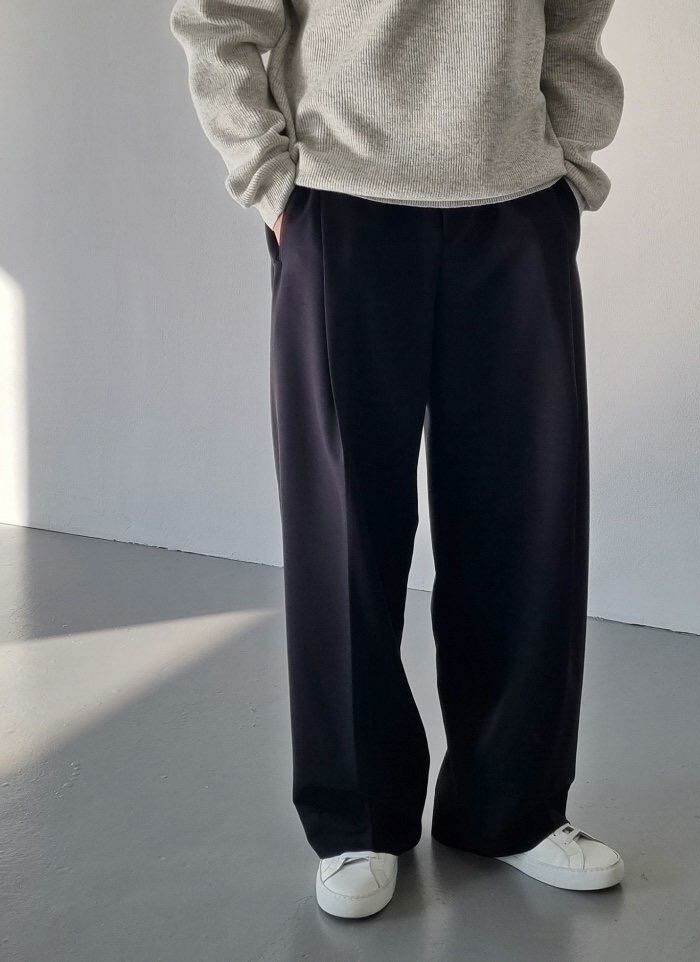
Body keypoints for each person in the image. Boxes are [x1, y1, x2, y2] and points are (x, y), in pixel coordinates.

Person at [170, 0, 625, 919]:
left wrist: (567, 166)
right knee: (344, 527)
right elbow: (219, 15)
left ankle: (511, 807)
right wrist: (269, 177)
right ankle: (358, 817)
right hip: (341, 196)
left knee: (526, 521)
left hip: (515, 201)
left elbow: (574, 17)